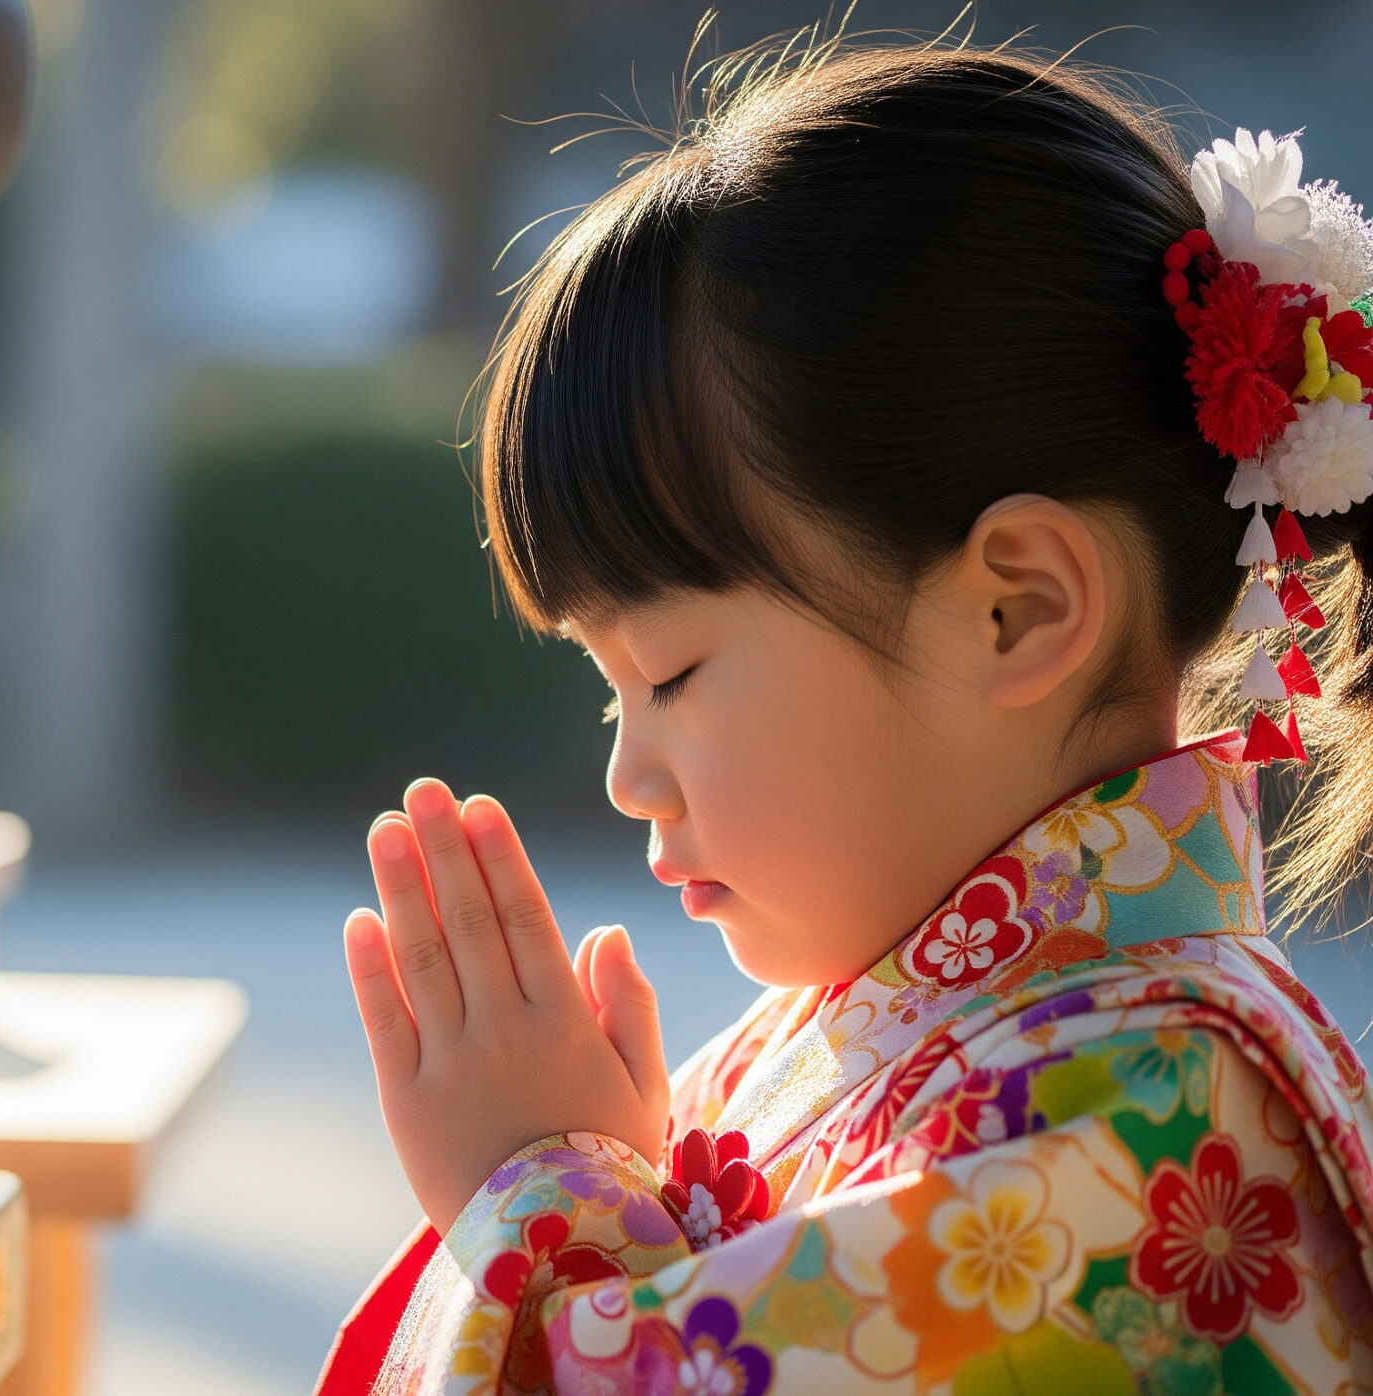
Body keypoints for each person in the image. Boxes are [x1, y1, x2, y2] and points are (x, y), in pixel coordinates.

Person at [319, 35, 1373, 1396]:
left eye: (674, 676)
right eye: (610, 697)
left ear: (1020, 610)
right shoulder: (1015, 1029)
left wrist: (551, 1205)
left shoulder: (1159, 1128)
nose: (634, 775)